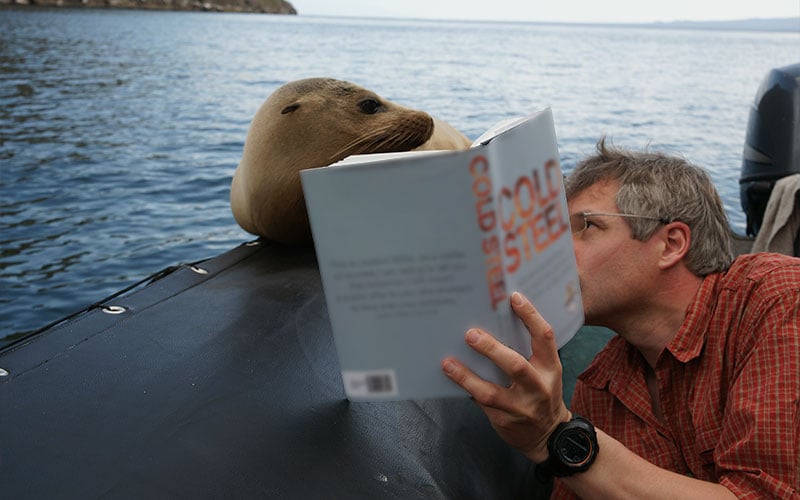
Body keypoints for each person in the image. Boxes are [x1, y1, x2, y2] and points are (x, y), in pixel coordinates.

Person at [441, 138, 800, 499]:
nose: (553, 252)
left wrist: (554, 434)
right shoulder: (600, 386)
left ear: (671, 244)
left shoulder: (779, 298)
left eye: (585, 226)